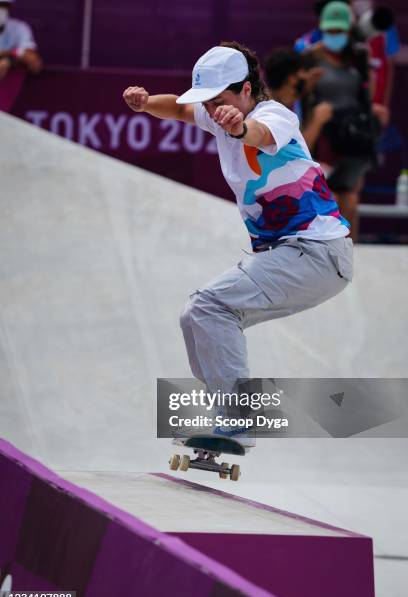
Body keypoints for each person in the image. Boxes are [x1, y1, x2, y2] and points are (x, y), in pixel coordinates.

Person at [123, 42, 353, 444]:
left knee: (211, 306)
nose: (213, 112)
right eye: (209, 105)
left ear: (246, 89)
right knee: (196, 315)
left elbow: (259, 133)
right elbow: (178, 107)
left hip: (317, 251)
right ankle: (223, 413)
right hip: (293, 254)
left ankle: (240, 419)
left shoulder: (274, 116)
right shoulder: (216, 116)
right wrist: (145, 105)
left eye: (221, 101)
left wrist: (239, 128)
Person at [300, 1, 381, 241]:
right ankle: (323, 254)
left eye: (339, 31)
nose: (335, 35)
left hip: (353, 138)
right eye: (330, 31)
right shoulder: (310, 56)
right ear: (322, 28)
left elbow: (367, 94)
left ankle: (349, 257)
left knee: (350, 200)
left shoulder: (359, 58)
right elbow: (298, 95)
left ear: (349, 30)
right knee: (326, 199)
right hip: (324, 137)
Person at [263, 47, 334, 150]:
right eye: (303, 72)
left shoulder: (275, 96)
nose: (306, 76)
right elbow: (298, 152)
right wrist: (317, 121)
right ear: (292, 78)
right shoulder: (272, 113)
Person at [0, 0, 43, 81]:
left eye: (2, 5)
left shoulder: (19, 28)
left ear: (9, 7)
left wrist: (8, 57)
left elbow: (34, 64)